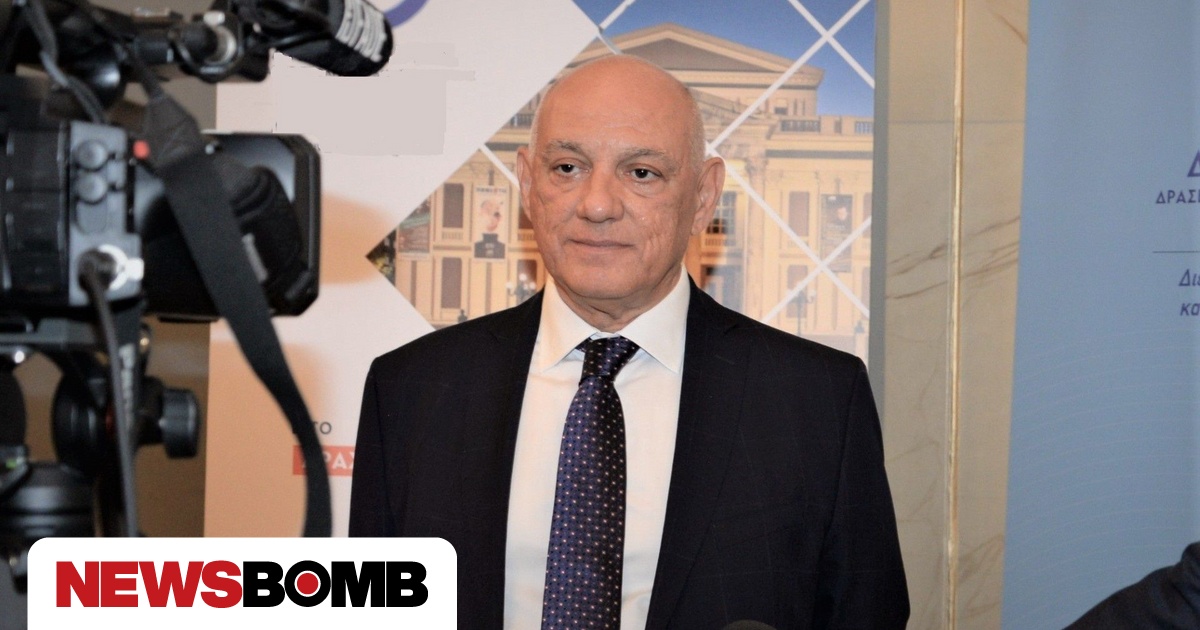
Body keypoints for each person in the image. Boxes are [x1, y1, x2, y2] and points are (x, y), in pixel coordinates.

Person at [349, 55, 908, 629]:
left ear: (703, 197)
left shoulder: (816, 400)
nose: (596, 204)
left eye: (641, 173)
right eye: (567, 167)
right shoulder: (411, 389)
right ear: (528, 184)